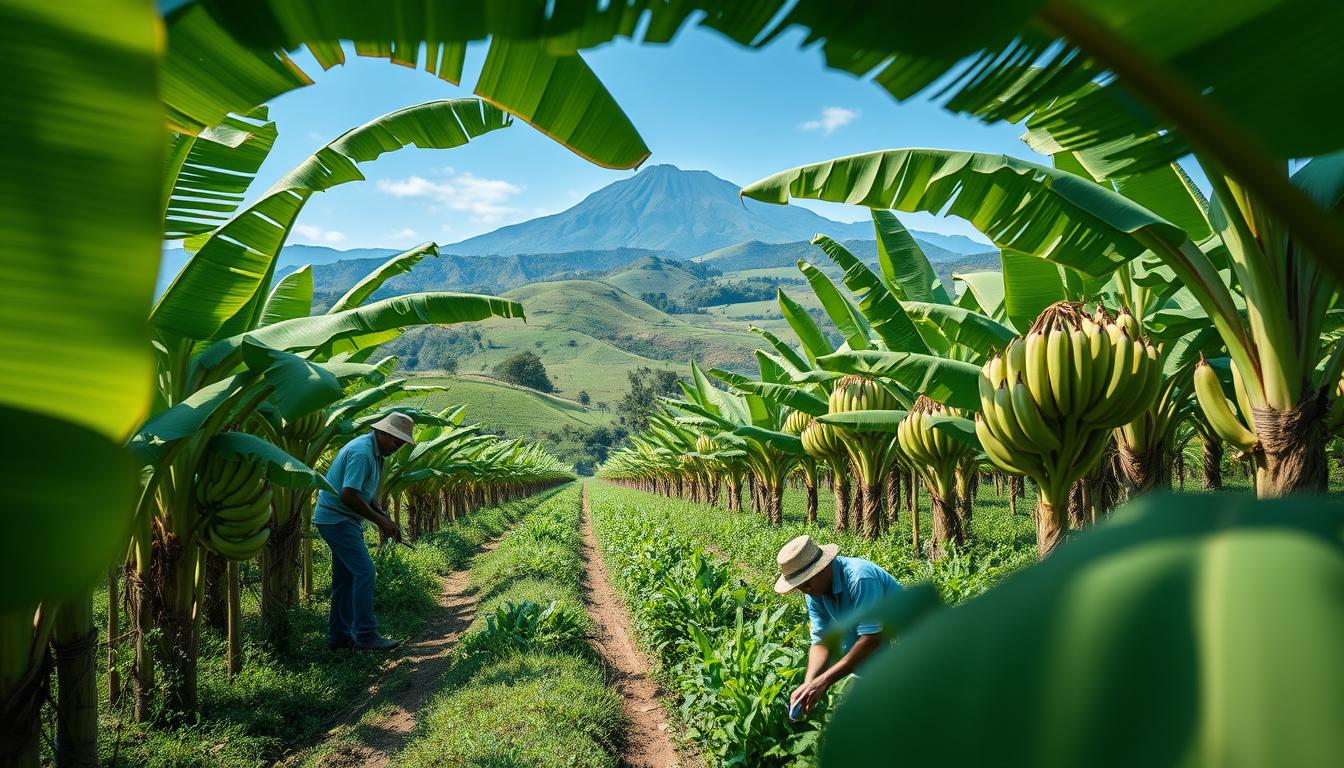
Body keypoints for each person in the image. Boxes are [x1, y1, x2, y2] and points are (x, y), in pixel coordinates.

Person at [313, 411, 415, 651]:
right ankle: (366, 635)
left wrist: (384, 518)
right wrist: (381, 523)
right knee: (365, 572)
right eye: (395, 441)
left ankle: (338, 638)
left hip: (343, 519)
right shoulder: (361, 452)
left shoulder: (378, 453)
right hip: (337, 519)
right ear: (382, 432)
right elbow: (348, 494)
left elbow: (369, 496)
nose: (396, 447)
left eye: (401, 444)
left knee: (345, 579)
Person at [775, 534, 901, 716]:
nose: (804, 590)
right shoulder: (814, 592)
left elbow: (871, 640)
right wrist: (809, 683)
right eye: (799, 586)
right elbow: (821, 641)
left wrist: (825, 679)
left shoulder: (860, 578)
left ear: (823, 568)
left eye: (807, 583)